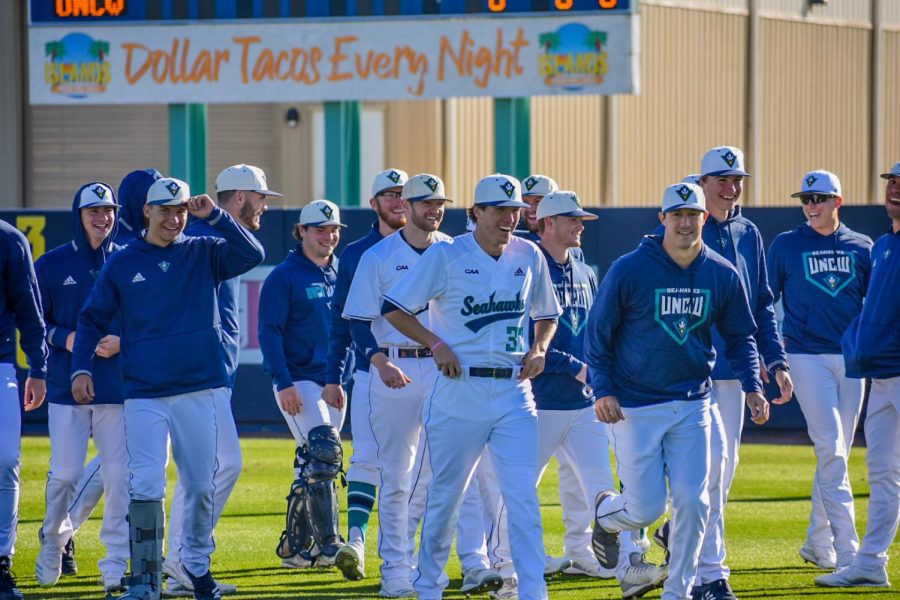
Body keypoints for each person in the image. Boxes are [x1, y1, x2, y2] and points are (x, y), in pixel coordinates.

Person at [71, 177, 265, 600]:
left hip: (201, 387)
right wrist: (80, 369)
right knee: (146, 484)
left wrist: (214, 216)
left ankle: (195, 567)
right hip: (144, 392)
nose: (174, 218)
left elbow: (253, 253)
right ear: (147, 212)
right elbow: (90, 319)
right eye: (165, 210)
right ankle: (144, 578)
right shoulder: (123, 262)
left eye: (180, 210)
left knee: (199, 484)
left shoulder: (204, 249)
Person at [382, 173, 562, 600]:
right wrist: (435, 342)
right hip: (459, 387)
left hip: (513, 391)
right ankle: (428, 587)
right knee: (445, 496)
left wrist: (539, 347)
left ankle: (534, 592)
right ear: (475, 212)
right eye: (499, 209)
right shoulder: (447, 255)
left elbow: (547, 314)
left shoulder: (529, 255)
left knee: (521, 498)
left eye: (515, 209)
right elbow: (394, 309)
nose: (509, 217)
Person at [587, 182, 766, 600]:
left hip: (692, 403)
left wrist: (753, 386)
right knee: (645, 509)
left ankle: (679, 591)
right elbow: (599, 335)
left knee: (694, 501)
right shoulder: (630, 269)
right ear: (662, 218)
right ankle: (607, 515)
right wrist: (603, 390)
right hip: (635, 404)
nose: (686, 223)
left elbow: (741, 337)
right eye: (677, 215)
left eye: (694, 215)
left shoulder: (721, 271)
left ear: (705, 218)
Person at [487, 190, 663, 599]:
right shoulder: (526, 266)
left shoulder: (584, 270)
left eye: (582, 219)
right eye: (572, 219)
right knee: (517, 489)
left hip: (584, 402)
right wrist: (574, 365)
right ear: (547, 223)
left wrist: (603, 371)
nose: (581, 225)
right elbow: (524, 335)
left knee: (604, 490)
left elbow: (600, 332)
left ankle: (628, 567)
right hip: (537, 400)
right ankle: (505, 574)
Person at [677, 146, 793, 600]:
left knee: (724, 473)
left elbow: (761, 304)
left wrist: (776, 360)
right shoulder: (681, 228)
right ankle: (711, 573)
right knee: (708, 471)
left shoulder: (749, 232)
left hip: (736, 368)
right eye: (721, 180)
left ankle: (682, 541)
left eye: (736, 179)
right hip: (693, 371)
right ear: (702, 183)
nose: (731, 188)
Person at [161, 164, 281, 596]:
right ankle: (179, 561)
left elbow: (251, 250)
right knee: (215, 465)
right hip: (192, 376)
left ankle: (180, 564)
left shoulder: (222, 236)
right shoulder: (204, 239)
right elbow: (253, 253)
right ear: (239, 196)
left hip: (214, 374)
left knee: (204, 468)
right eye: (261, 197)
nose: (265, 206)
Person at [59, 168, 165, 577]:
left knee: (127, 467)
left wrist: (126, 337)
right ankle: (75, 537)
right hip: (121, 378)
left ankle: (134, 552)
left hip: (146, 370)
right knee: (116, 467)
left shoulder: (146, 245)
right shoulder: (123, 249)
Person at [766, 170, 872, 571]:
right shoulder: (787, 245)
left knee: (837, 453)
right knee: (831, 448)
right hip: (807, 357)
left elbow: (875, 311)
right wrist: (771, 355)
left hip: (852, 361)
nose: (811, 206)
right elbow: (765, 302)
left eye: (820, 199)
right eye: (806, 200)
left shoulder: (862, 247)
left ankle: (816, 539)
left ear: (837, 202)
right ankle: (849, 551)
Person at [33, 182, 129, 594]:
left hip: (117, 386)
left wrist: (124, 340)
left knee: (119, 477)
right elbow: (37, 322)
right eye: (94, 211)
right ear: (79, 214)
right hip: (65, 386)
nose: (102, 217)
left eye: (108, 210)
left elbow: (147, 315)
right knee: (66, 475)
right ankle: (54, 540)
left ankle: (113, 564)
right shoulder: (53, 264)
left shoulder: (128, 258)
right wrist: (66, 338)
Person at [816, 161, 900, 589]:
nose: (895, 190)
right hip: (882, 373)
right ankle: (870, 562)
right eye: (892, 182)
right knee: (883, 470)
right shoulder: (885, 244)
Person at [322, 169, 409, 579]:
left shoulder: (439, 249)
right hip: (372, 369)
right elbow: (343, 320)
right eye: (389, 195)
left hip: (429, 369)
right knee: (369, 457)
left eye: (404, 194)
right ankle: (356, 541)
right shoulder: (358, 253)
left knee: (419, 468)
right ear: (374, 204)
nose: (398, 201)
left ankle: (404, 554)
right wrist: (333, 375)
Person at [258, 200, 347, 569]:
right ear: (301, 232)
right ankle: (330, 546)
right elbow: (269, 333)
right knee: (323, 449)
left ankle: (295, 550)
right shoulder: (284, 275)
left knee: (312, 466)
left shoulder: (342, 271)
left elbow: (347, 330)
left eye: (334, 230)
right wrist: (284, 382)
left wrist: (337, 379)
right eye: (320, 229)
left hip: (332, 382)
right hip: (298, 380)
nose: (329, 236)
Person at [0, 218, 48, 600]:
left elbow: (29, 312)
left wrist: (38, 368)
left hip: (0, 365)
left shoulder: (9, 239)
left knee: (4, 461)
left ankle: (0, 561)